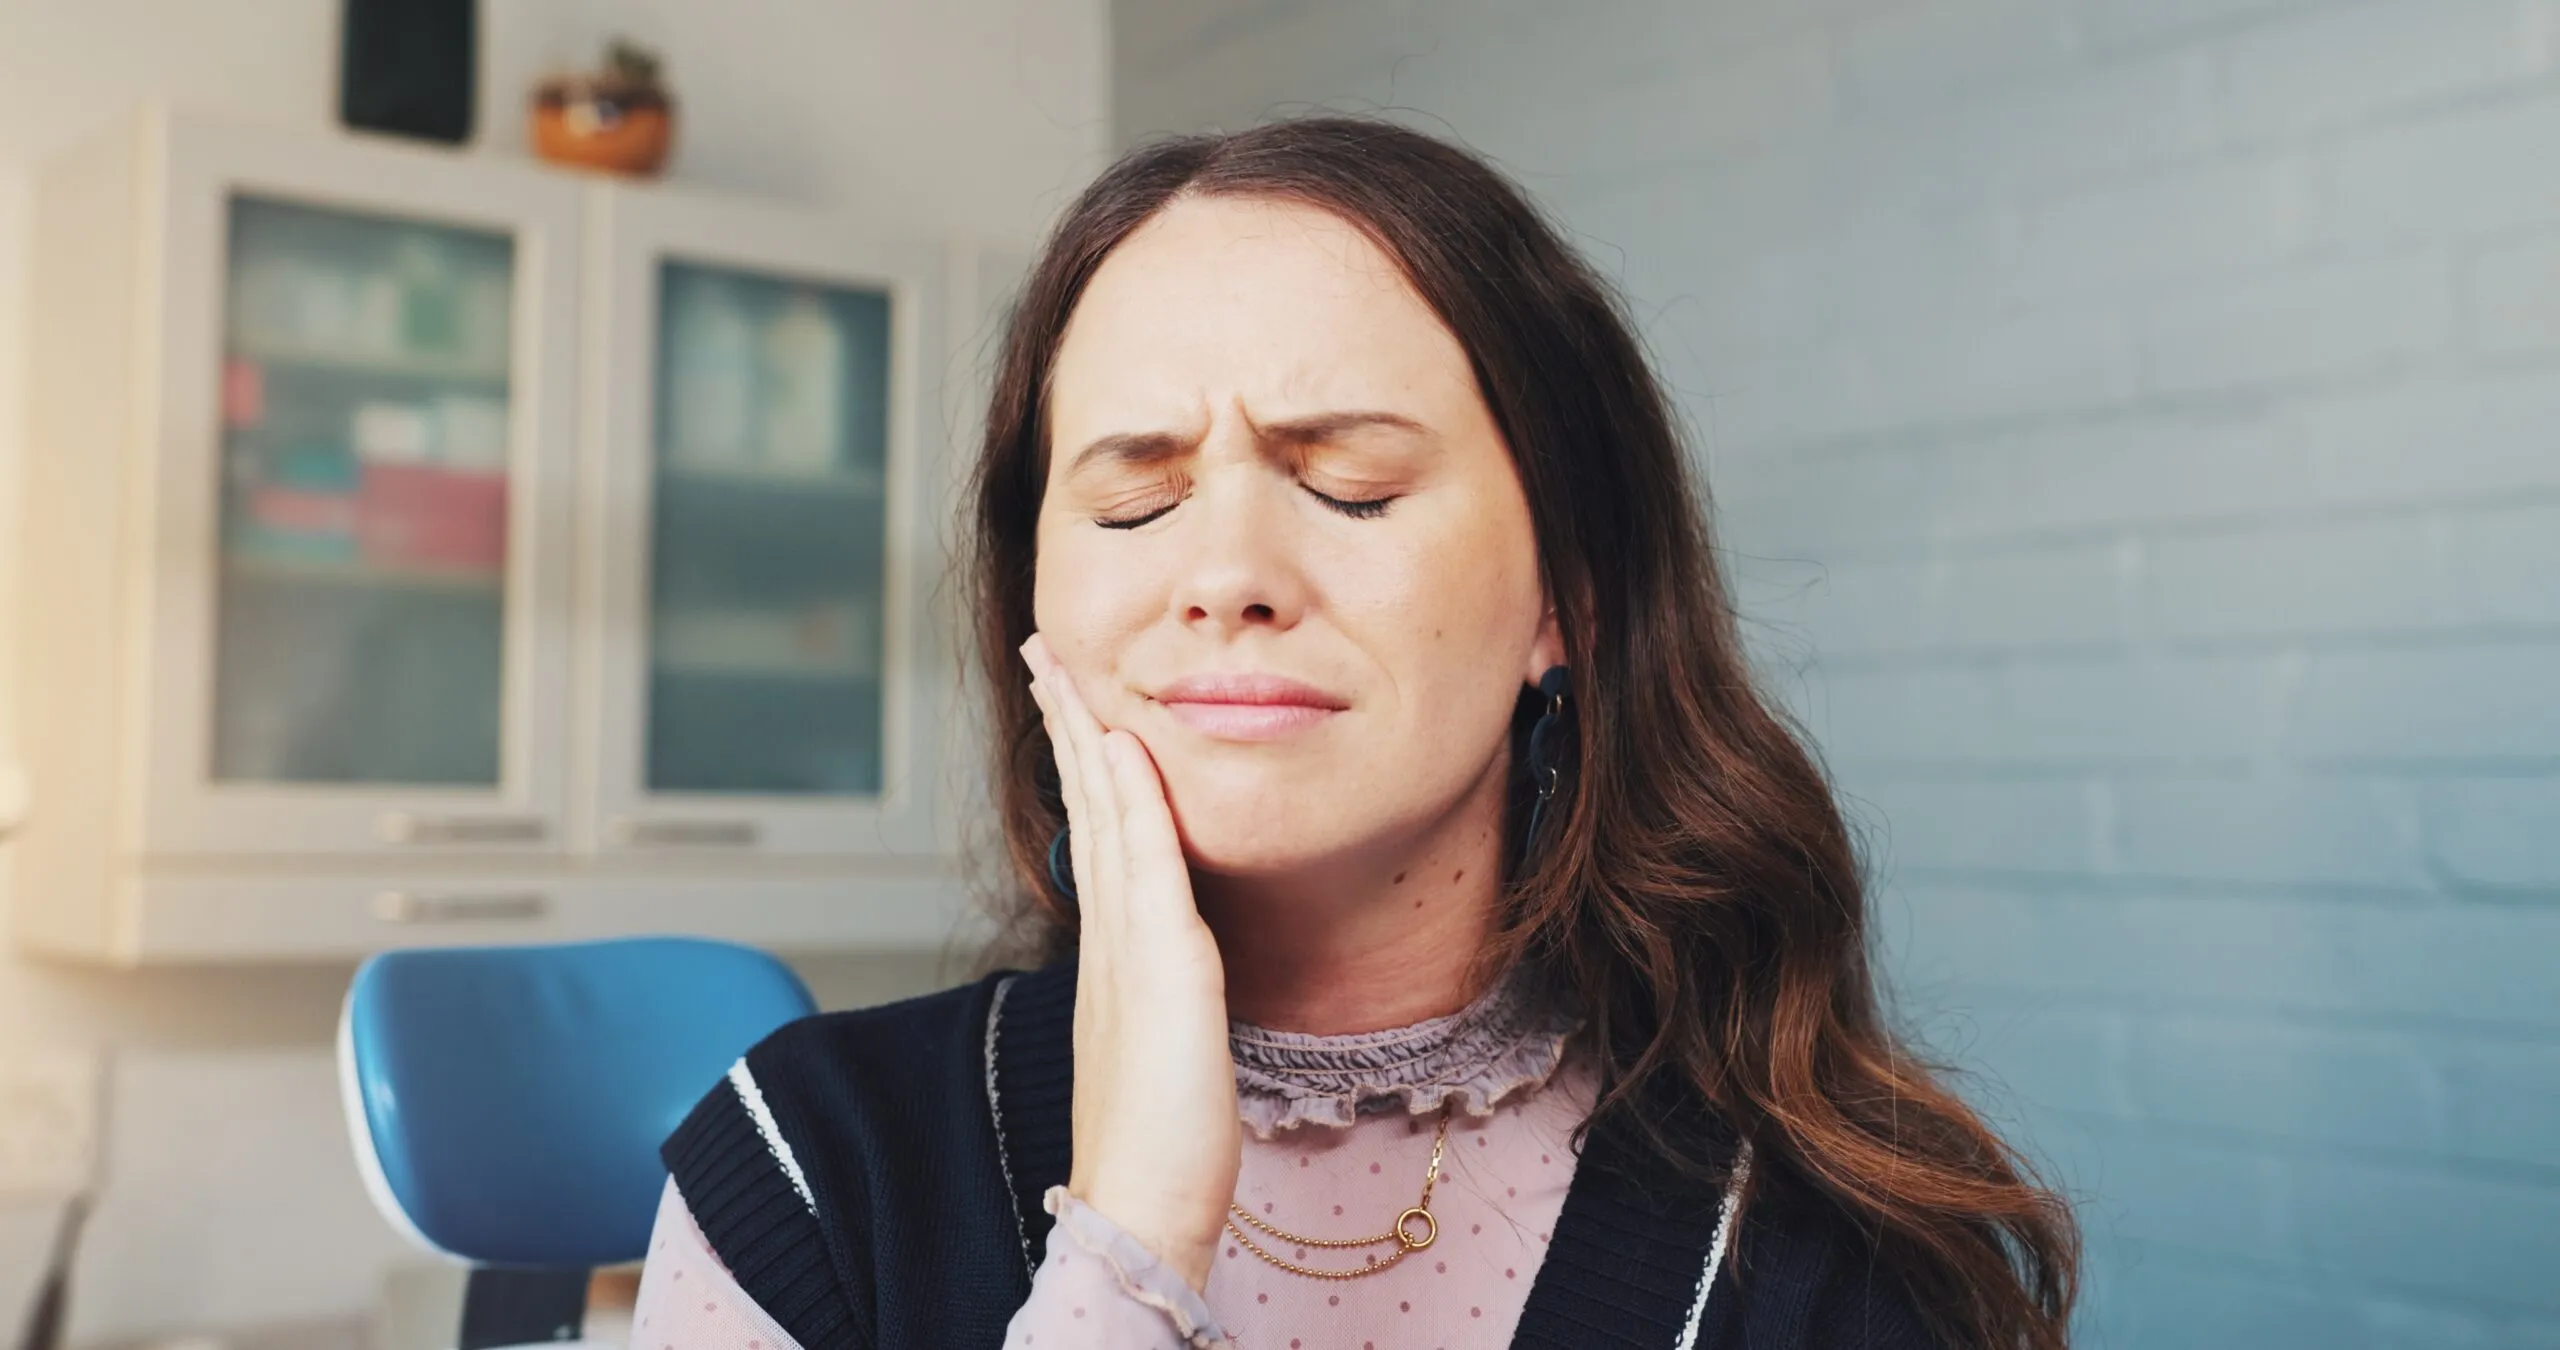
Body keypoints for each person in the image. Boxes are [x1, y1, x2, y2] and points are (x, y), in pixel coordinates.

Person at [629, 115, 2079, 1350]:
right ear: (1037, 612)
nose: (1225, 576)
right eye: (1136, 502)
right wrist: (1123, 1251)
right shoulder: (812, 1170)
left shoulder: (1819, 1247)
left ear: (1563, 595)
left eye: (1354, 486)